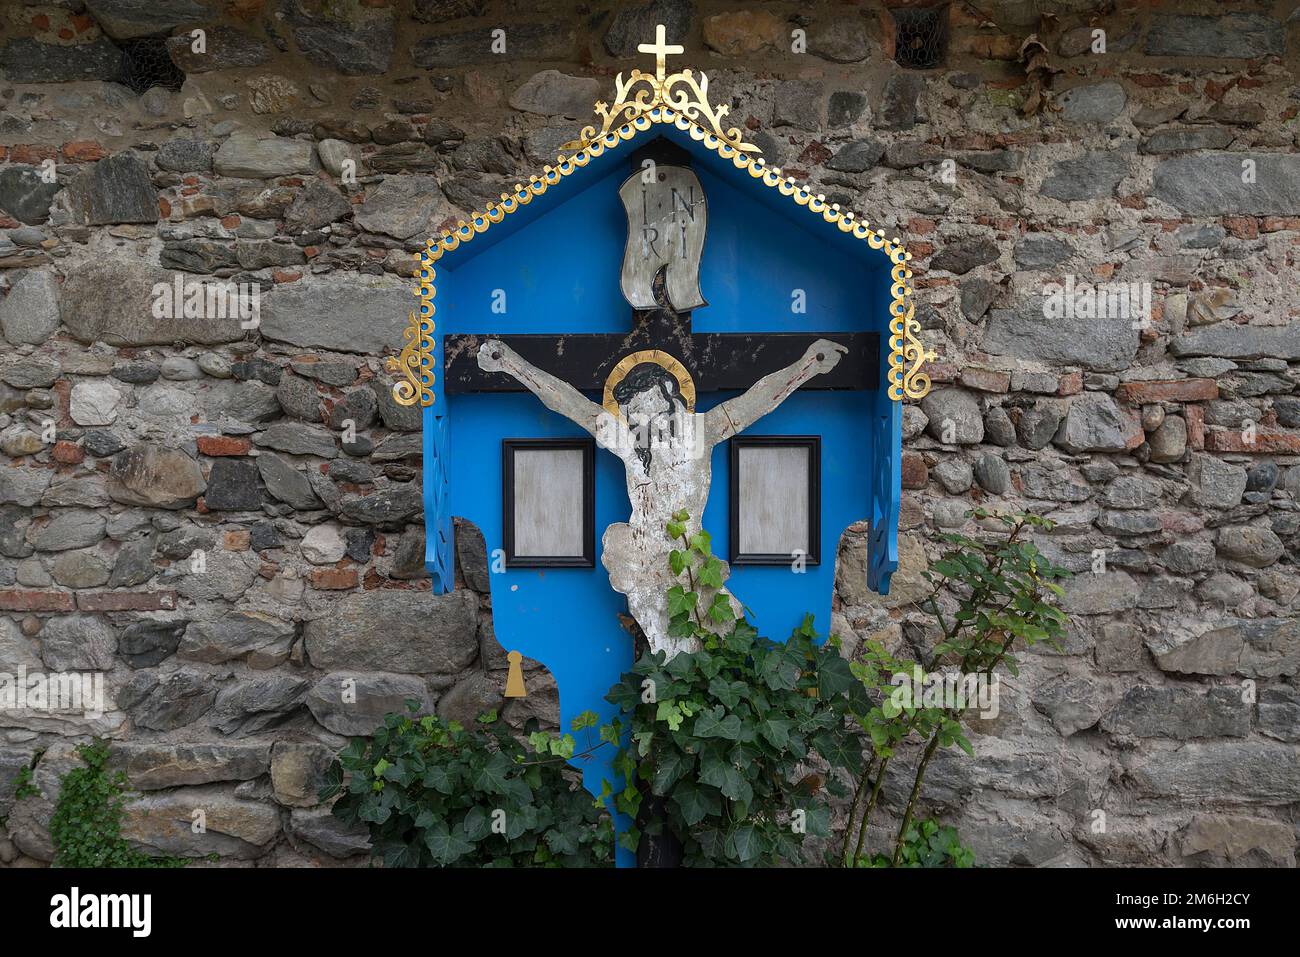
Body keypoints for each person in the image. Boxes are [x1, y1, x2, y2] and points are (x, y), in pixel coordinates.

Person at [477, 337, 846, 656]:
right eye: (634, 412)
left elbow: (756, 401)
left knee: (722, 631)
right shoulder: (629, 443)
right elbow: (570, 404)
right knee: (667, 649)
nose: (644, 418)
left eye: (652, 405)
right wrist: (513, 365)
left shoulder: (704, 430)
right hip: (642, 564)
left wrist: (807, 366)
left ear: (672, 397)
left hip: (691, 560)